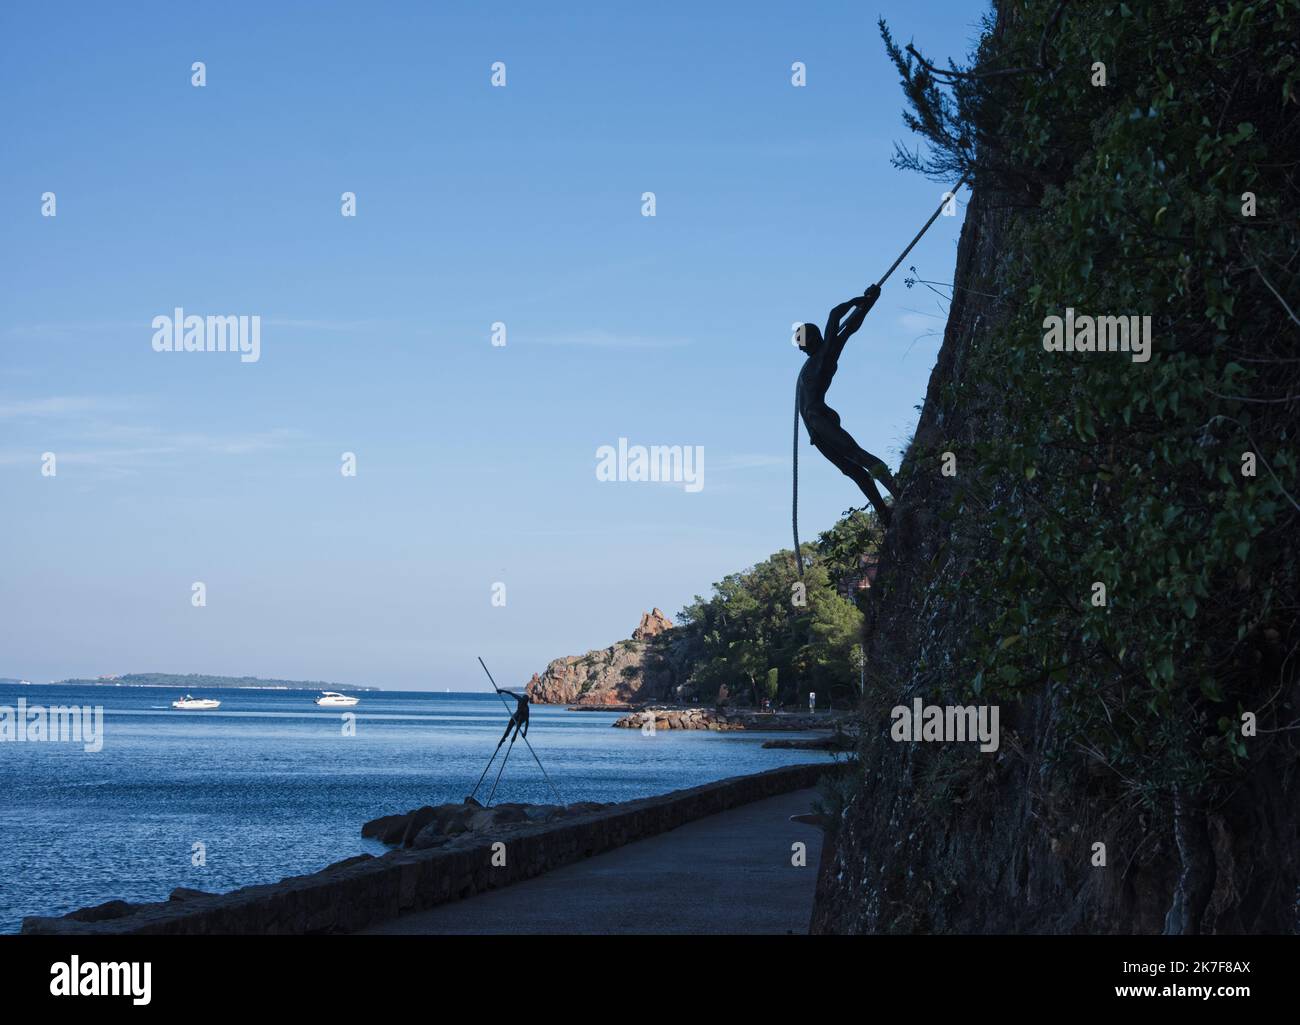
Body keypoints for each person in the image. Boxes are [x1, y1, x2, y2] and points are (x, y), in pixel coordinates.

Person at [796, 284, 897, 525]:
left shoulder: (827, 351)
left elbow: (838, 318)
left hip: (819, 418)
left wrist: (863, 302)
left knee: (858, 456)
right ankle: (884, 513)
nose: (799, 348)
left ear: (812, 338)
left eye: (801, 341)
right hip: (814, 429)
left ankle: (900, 492)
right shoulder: (812, 360)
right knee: (851, 470)